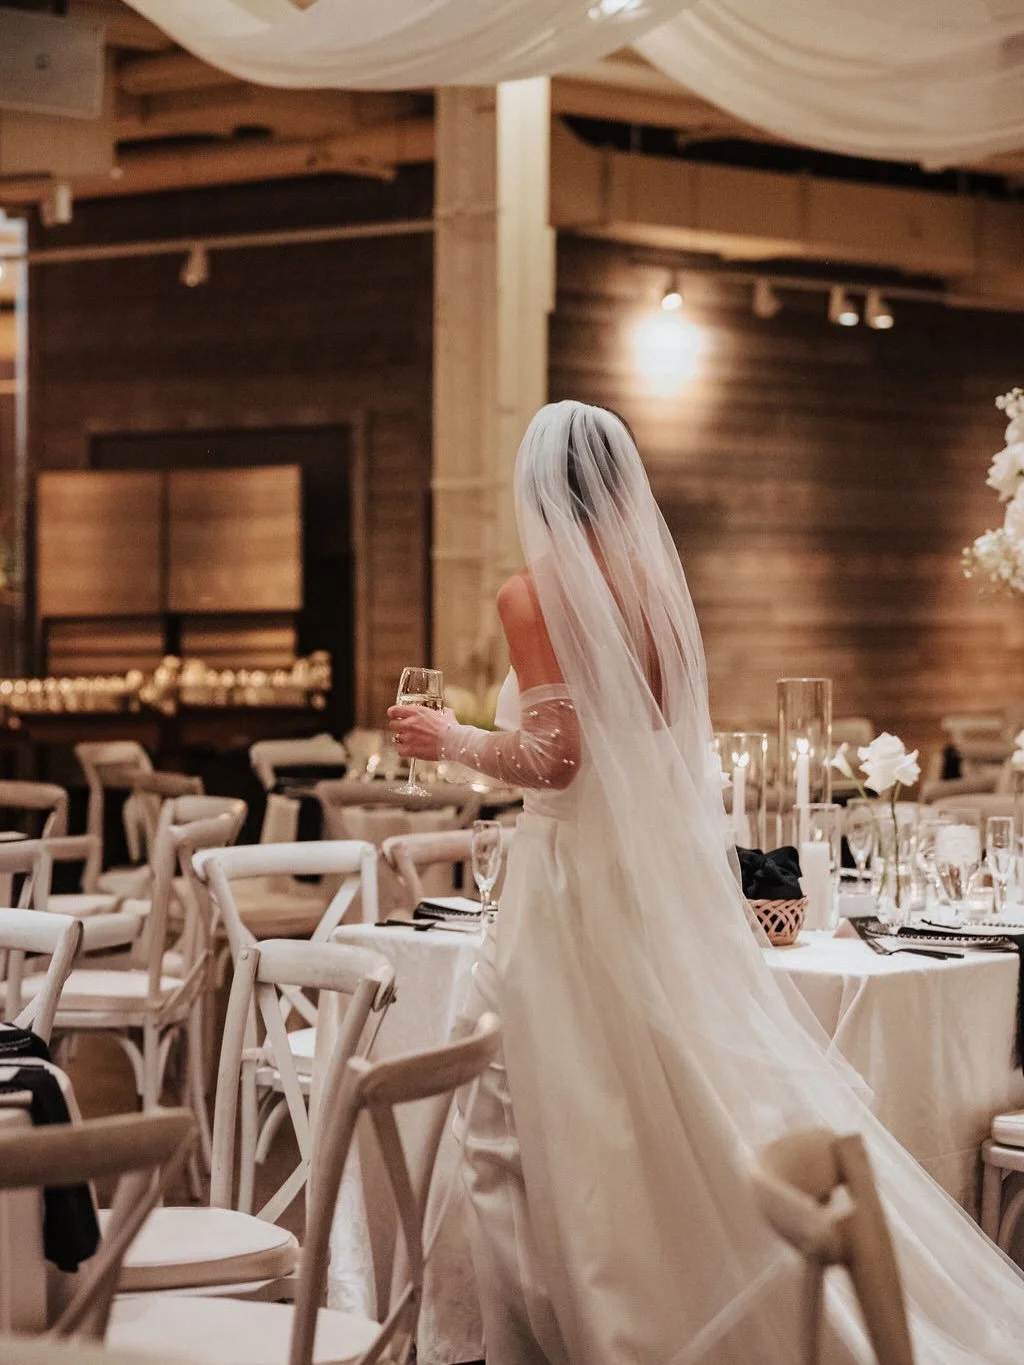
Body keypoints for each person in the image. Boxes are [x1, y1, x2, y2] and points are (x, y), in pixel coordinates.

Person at [388, 400, 1024, 1364]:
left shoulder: (537, 593)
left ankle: (550, 1331)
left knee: (532, 1113)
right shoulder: (656, 593)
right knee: (649, 1104)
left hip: (566, 889)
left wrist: (450, 740)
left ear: (539, 491)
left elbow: (557, 760)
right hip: (650, 885)